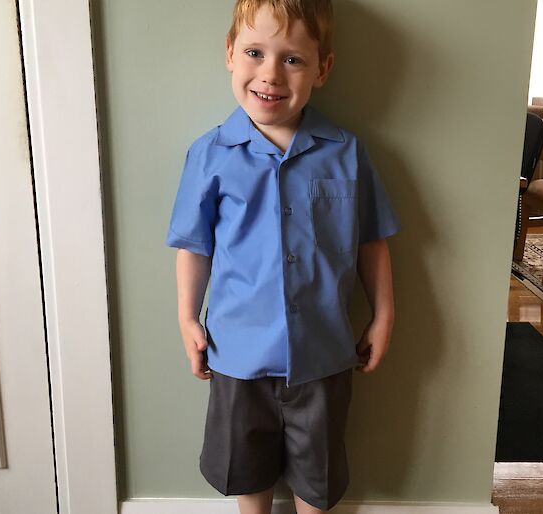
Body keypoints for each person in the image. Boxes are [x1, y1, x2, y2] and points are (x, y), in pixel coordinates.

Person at [165, 1, 402, 512]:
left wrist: (384, 314)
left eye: (293, 59)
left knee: (316, 477)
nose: (270, 74)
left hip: (322, 353)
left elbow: (371, 240)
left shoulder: (346, 151)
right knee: (246, 471)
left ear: (323, 69)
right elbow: (194, 246)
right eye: (255, 52)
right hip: (237, 354)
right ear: (231, 54)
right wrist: (187, 316)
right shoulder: (208, 154)